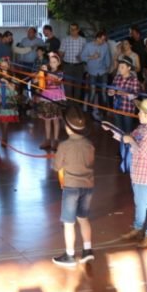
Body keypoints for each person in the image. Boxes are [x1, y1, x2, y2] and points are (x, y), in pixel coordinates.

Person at [110, 98, 147, 247]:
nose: (138, 113)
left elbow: (142, 151)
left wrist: (131, 141)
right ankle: (138, 228)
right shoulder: (141, 128)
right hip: (138, 171)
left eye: (140, 111)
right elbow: (129, 138)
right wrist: (113, 132)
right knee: (139, 202)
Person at [51, 107, 95, 267]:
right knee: (83, 219)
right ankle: (88, 250)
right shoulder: (89, 144)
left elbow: (57, 167)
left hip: (71, 188)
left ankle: (70, 255)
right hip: (88, 187)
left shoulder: (64, 145)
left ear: (67, 127)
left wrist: (58, 158)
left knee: (69, 222)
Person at [36, 51, 66, 152]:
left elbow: (56, 79)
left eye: (54, 62)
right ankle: (48, 140)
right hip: (46, 96)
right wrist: (40, 73)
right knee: (47, 119)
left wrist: (46, 72)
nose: (52, 64)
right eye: (50, 62)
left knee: (55, 119)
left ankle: (56, 140)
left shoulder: (60, 72)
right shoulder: (46, 71)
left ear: (58, 63)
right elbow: (38, 81)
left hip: (56, 96)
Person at [0, 58, 20, 147]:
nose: (4, 66)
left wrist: (7, 83)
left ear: (9, 66)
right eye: (2, 65)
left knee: (5, 121)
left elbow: (13, 88)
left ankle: (4, 139)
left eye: (6, 65)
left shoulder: (12, 77)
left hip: (7, 99)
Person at [81, 30, 112, 120]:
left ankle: (104, 112)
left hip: (103, 72)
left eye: (104, 40)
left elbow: (107, 58)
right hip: (92, 72)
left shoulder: (105, 45)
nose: (103, 42)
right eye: (101, 40)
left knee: (103, 92)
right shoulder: (88, 45)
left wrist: (108, 68)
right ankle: (90, 113)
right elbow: (82, 57)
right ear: (97, 38)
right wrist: (91, 57)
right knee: (92, 92)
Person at [59, 23, 87, 102]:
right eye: (71, 29)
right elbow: (61, 53)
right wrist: (60, 63)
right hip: (68, 66)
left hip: (79, 66)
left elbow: (86, 53)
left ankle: (76, 105)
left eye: (74, 29)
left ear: (78, 30)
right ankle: (69, 106)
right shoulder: (65, 39)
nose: (72, 31)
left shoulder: (83, 40)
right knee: (68, 87)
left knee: (78, 87)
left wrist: (82, 57)